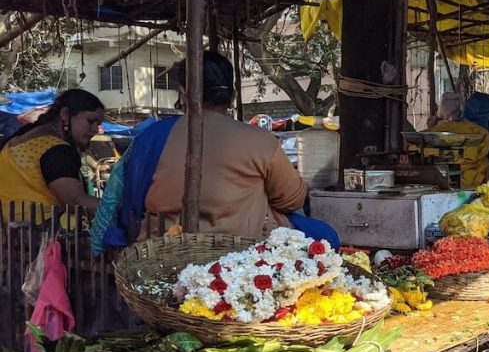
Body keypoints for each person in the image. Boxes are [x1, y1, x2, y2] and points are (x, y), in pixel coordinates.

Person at [91, 52, 338, 252]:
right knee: (325, 236)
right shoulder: (260, 140)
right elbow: (292, 200)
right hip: (241, 252)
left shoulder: (148, 138)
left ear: (183, 95)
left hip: (158, 250)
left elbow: (125, 201)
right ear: (231, 97)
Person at [0, 89, 104, 221]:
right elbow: (75, 202)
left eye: (98, 124)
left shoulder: (21, 139)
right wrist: (119, 208)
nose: (95, 129)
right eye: (90, 121)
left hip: (11, 232)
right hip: (34, 234)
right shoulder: (56, 149)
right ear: (65, 114)